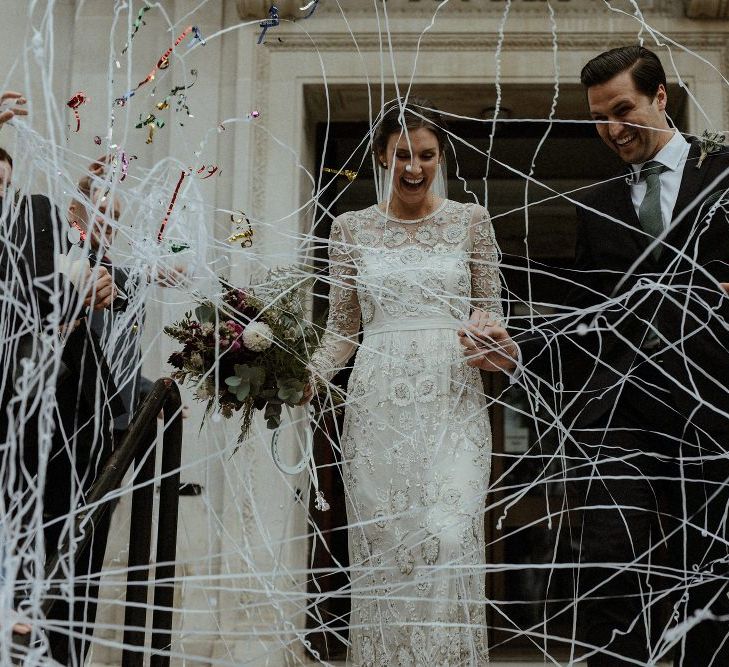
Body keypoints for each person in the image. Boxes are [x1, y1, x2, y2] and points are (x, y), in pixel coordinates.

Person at [462, 46, 729, 665]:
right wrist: (517, 351)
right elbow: (590, 325)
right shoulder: (597, 206)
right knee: (610, 580)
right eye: (599, 119)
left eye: (624, 111)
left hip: (715, 418)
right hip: (622, 423)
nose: (612, 131)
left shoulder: (725, 176)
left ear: (662, 97)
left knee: (711, 589)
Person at [307, 97, 502, 664]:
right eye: (401, 156)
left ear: (441, 158)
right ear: (380, 159)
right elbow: (343, 327)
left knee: (448, 535)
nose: (413, 167)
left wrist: (489, 342)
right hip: (377, 401)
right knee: (389, 547)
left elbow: (491, 315)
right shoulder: (349, 228)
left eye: (426, 155)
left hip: (452, 395)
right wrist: (308, 376)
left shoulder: (471, 220)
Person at [0, 109, 124, 663]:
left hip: (71, 414)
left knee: (71, 554)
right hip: (10, 424)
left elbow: (54, 289)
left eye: (5, 185)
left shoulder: (35, 220)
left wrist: (91, 282)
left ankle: (63, 654)